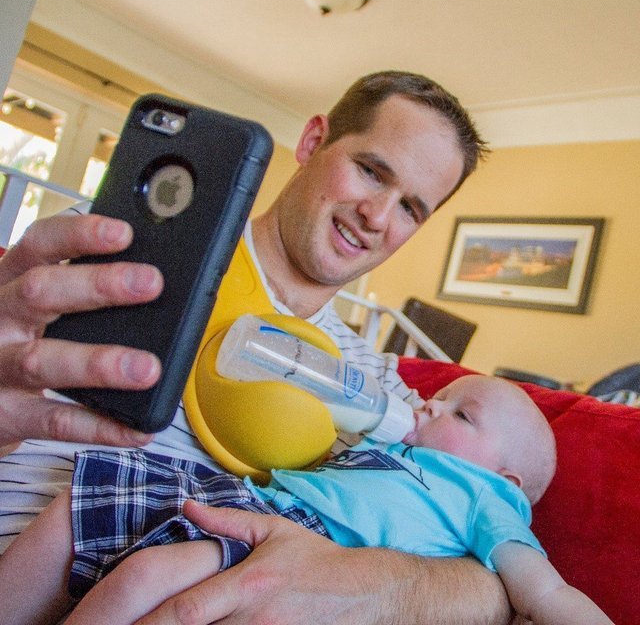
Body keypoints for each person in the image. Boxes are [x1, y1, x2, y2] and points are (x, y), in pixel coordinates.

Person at [0, 71, 516, 624]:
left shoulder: (383, 391)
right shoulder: (107, 254)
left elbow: (497, 582)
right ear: (313, 142)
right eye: (370, 171)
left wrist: (372, 586)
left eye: (411, 208)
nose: (377, 217)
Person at [0, 375, 613, 625]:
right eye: (441, 395)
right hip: (237, 499)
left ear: (505, 479)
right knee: (77, 505)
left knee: (148, 577)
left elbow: (545, 591)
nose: (429, 404)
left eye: (463, 413)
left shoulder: (485, 499)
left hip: (299, 546)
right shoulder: (388, 433)